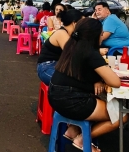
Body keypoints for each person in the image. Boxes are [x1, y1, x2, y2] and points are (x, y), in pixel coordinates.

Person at [48, 17, 126, 151]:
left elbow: (84, 73)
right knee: (121, 115)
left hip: (55, 96)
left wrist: (98, 80)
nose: (102, 37)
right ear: (95, 36)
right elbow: (115, 82)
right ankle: (83, 139)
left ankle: (72, 130)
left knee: (99, 100)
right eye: (101, 34)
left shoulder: (71, 46)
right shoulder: (90, 52)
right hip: (72, 102)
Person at [37, 9, 83, 85]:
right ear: (75, 23)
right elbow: (74, 54)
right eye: (83, 22)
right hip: (46, 67)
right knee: (75, 85)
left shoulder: (72, 34)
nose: (84, 25)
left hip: (59, 66)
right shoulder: (61, 33)